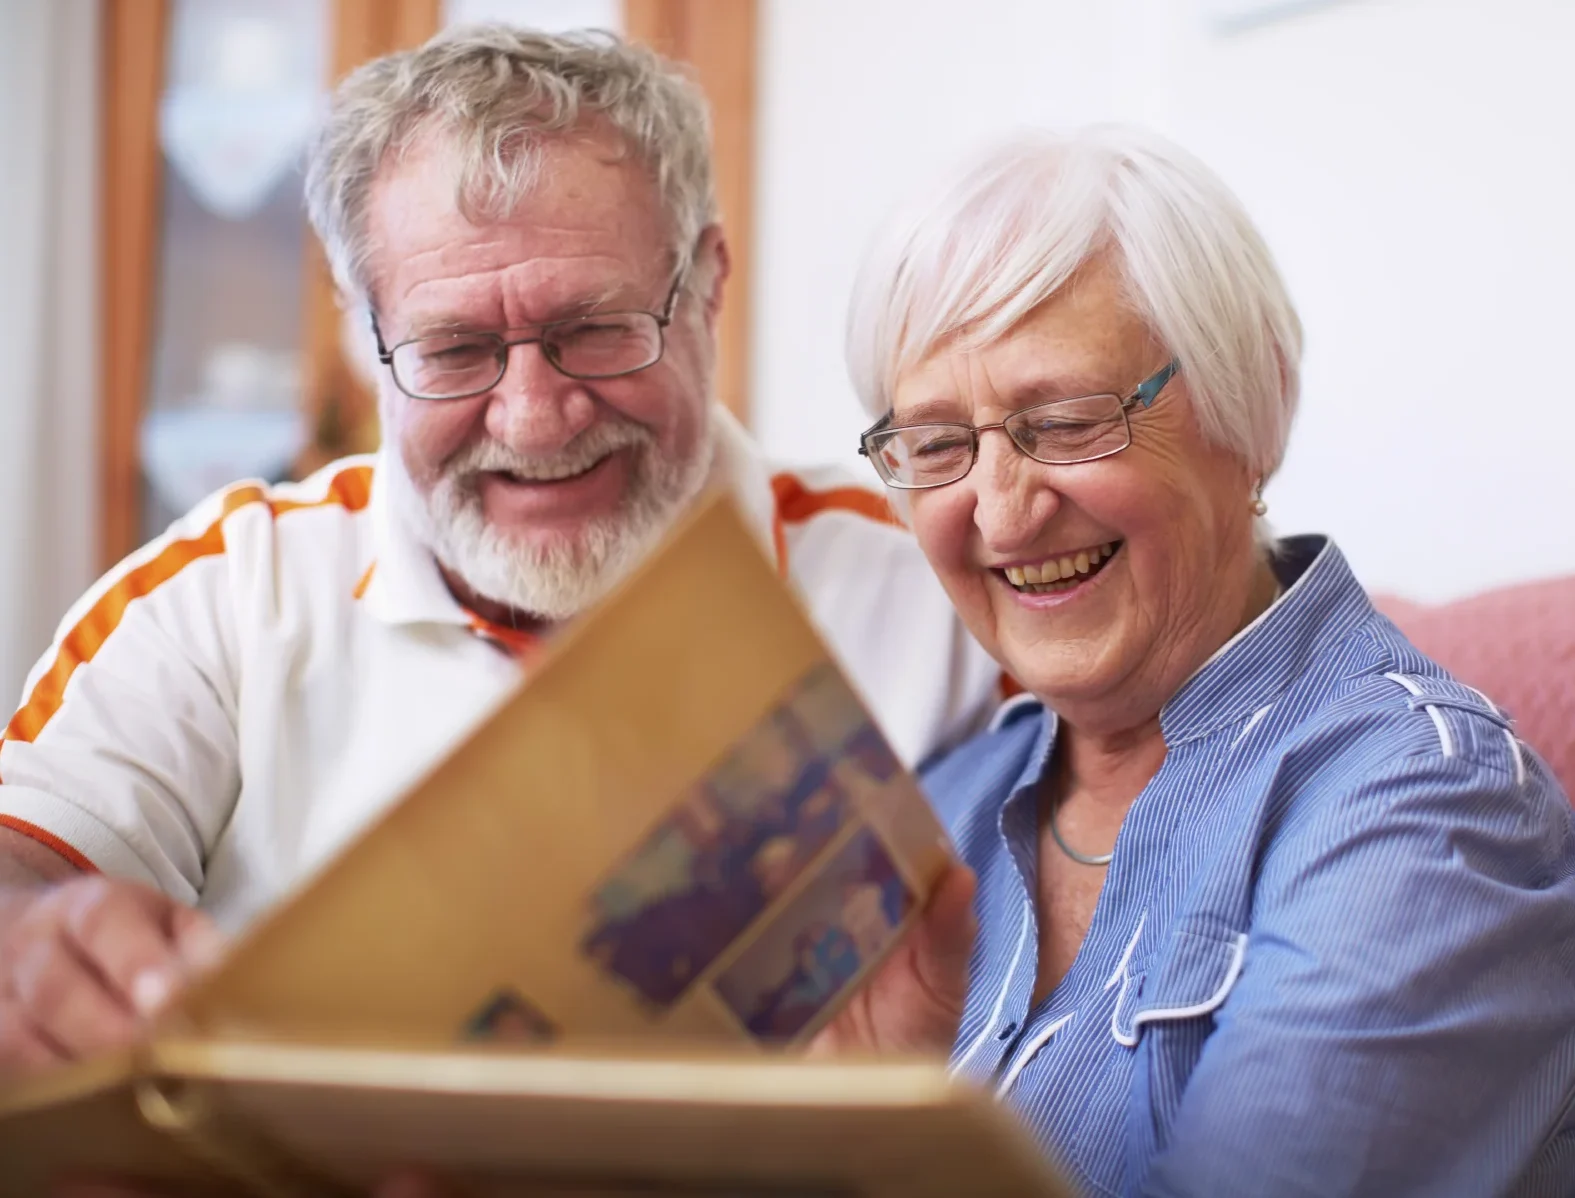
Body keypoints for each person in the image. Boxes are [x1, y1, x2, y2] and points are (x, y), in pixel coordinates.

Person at [0, 25, 999, 1077]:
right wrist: (30, 951)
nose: (534, 418)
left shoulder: (938, 582)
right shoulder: (224, 597)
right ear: (362, 335)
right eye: (456, 350)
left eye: (598, 327)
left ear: (707, 283)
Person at [840, 125, 1575, 1193]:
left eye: (1065, 419)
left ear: (1251, 408)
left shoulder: (1421, 802)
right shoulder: (937, 804)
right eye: (940, 444)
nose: (1001, 511)